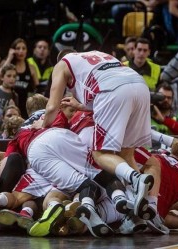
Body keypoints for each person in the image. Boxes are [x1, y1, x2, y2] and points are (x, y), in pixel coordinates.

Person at [42, 49, 154, 221]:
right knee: (126, 154)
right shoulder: (98, 55)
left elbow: (51, 107)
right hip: (139, 85)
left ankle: (137, 178)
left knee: (100, 154)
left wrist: (42, 124)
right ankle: (142, 208)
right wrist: (83, 106)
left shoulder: (62, 63)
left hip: (112, 90)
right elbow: (113, 92)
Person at [0, 38, 39, 119]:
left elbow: (37, 85)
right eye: (18, 48)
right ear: (12, 50)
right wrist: (9, 58)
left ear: (27, 51)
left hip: (25, 105)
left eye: (23, 48)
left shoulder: (31, 67)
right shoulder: (7, 63)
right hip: (9, 102)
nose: (21, 51)